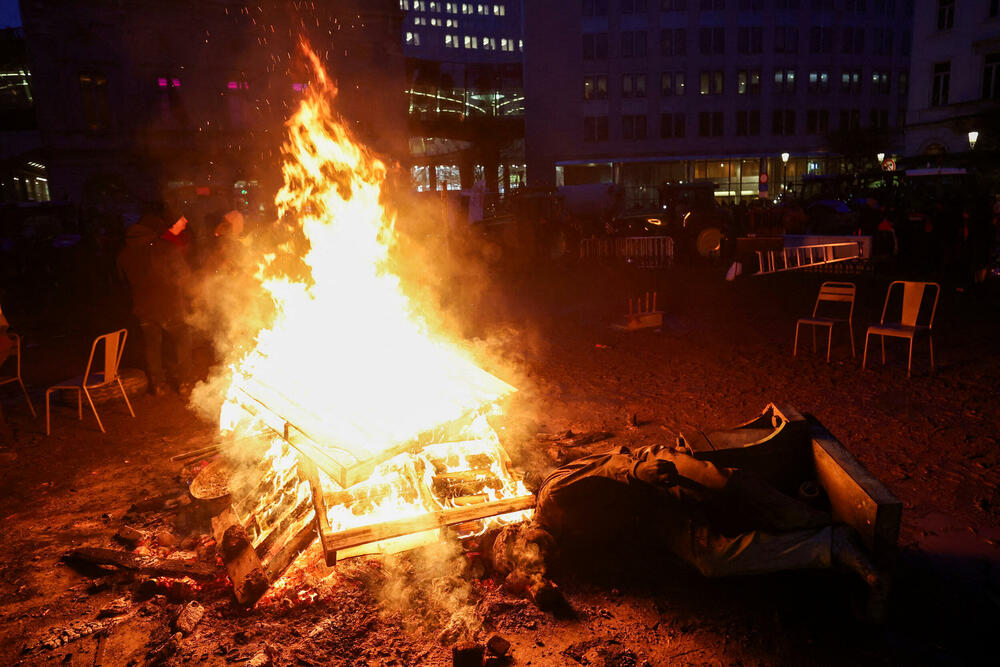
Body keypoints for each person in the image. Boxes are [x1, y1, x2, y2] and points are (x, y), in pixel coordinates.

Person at [522, 443, 889, 618]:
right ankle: (829, 543)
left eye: (533, 547)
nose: (541, 553)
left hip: (655, 471)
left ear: (529, 530)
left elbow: (607, 466)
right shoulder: (569, 546)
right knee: (713, 560)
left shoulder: (553, 496)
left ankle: (819, 519)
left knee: (730, 487)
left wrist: (637, 472)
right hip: (656, 514)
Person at [116, 210, 193, 395]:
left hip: (143, 309)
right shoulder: (165, 248)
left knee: (152, 347)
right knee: (182, 343)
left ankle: (158, 385)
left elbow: (122, 283)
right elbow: (184, 275)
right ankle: (185, 383)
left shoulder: (123, 255)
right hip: (170, 306)